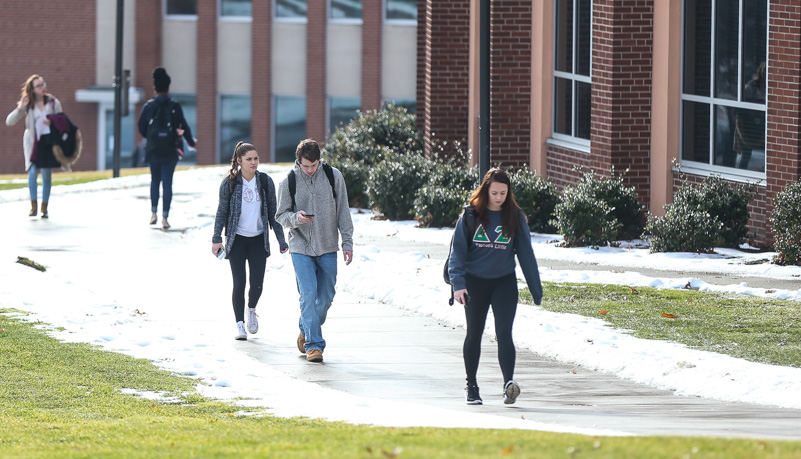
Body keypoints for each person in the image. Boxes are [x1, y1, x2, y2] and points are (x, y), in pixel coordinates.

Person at [448, 168, 543, 406]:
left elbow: (526, 254)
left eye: (503, 192)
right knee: (474, 333)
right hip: (474, 283)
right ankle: (471, 386)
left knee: (504, 333)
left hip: (504, 282)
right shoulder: (470, 216)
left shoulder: (515, 216)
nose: (499, 197)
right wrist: (458, 285)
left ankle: (508, 385)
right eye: (494, 192)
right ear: (485, 190)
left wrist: (535, 289)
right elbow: (457, 253)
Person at [275, 139, 353, 363]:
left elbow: (343, 212)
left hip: (328, 245)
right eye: (305, 166)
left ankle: (305, 327)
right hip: (300, 247)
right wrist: (296, 219)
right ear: (298, 161)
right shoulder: (288, 181)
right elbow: (280, 215)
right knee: (308, 296)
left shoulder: (333, 176)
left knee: (326, 297)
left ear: (319, 160)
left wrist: (347, 243)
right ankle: (314, 345)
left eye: (314, 165)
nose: (309, 170)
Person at [212, 142, 288, 340]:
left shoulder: (264, 181)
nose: (254, 162)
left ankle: (251, 309)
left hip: (258, 240)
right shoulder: (230, 183)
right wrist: (216, 238)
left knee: (257, 284)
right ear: (239, 161)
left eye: (256, 158)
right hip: (237, 240)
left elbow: (274, 213)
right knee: (239, 282)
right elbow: (222, 212)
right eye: (249, 159)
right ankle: (239, 324)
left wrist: (281, 240)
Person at [137, 67, 195, 230]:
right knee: (167, 183)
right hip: (171, 149)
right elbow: (184, 125)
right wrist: (190, 141)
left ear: (155, 88)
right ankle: (165, 217)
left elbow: (141, 126)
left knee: (155, 180)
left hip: (154, 149)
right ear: (168, 88)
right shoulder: (174, 106)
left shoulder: (150, 106)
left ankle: (153, 212)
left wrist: (150, 137)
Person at [5, 74, 64, 218]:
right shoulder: (28, 104)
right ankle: (33, 207)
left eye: (43, 84)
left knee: (46, 176)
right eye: (39, 85)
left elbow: (62, 122)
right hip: (32, 143)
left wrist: (53, 123)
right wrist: (21, 107)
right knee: (32, 173)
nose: (43, 87)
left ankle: (45, 207)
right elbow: (9, 121)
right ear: (32, 89)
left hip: (48, 143)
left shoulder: (53, 103)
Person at [733, 62, 766, 170]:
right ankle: (741, 172)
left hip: (764, 126)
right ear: (760, 71)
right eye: (764, 70)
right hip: (749, 126)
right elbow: (742, 108)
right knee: (746, 153)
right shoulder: (751, 87)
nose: (766, 73)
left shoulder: (773, 89)